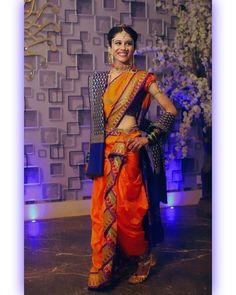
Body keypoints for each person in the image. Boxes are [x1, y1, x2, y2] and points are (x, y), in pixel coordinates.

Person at [86, 24, 177, 291]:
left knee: (129, 211)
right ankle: (105, 266)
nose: (123, 47)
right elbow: (97, 125)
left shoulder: (143, 79)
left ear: (134, 48)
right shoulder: (98, 81)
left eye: (128, 43)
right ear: (109, 47)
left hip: (129, 153)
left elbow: (170, 110)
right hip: (105, 153)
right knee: (101, 213)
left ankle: (144, 257)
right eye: (117, 42)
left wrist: (148, 138)